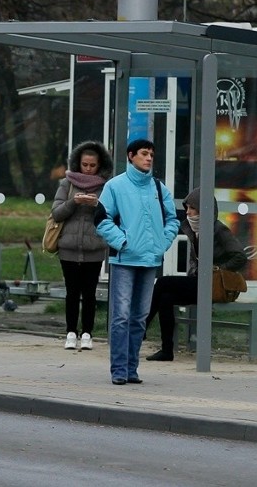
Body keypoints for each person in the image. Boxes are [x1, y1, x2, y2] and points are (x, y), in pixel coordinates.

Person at [95, 139, 180, 385]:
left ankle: (132, 369)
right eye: (144, 154)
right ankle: (119, 370)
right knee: (121, 315)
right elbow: (100, 219)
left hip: (149, 260)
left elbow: (172, 219)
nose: (149, 158)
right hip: (123, 260)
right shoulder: (115, 186)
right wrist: (122, 242)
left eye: (152, 154)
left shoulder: (158, 187)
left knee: (140, 317)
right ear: (130, 156)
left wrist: (161, 243)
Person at [145, 187, 248, 361]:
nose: (188, 212)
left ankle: (141, 329)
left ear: (203, 208)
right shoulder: (194, 229)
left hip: (214, 285)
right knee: (166, 298)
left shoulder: (218, 229)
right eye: (187, 208)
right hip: (199, 282)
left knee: (162, 282)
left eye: (192, 208)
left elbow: (240, 257)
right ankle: (167, 350)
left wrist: (218, 268)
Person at [51, 140, 113, 351]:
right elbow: (56, 213)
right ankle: (70, 332)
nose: (87, 169)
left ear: (99, 165)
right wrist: (73, 202)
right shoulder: (67, 183)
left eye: (92, 165)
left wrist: (97, 204)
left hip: (94, 248)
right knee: (71, 291)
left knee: (89, 293)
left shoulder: (106, 186)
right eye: (84, 164)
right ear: (77, 163)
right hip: (68, 247)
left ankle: (87, 333)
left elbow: (113, 215)